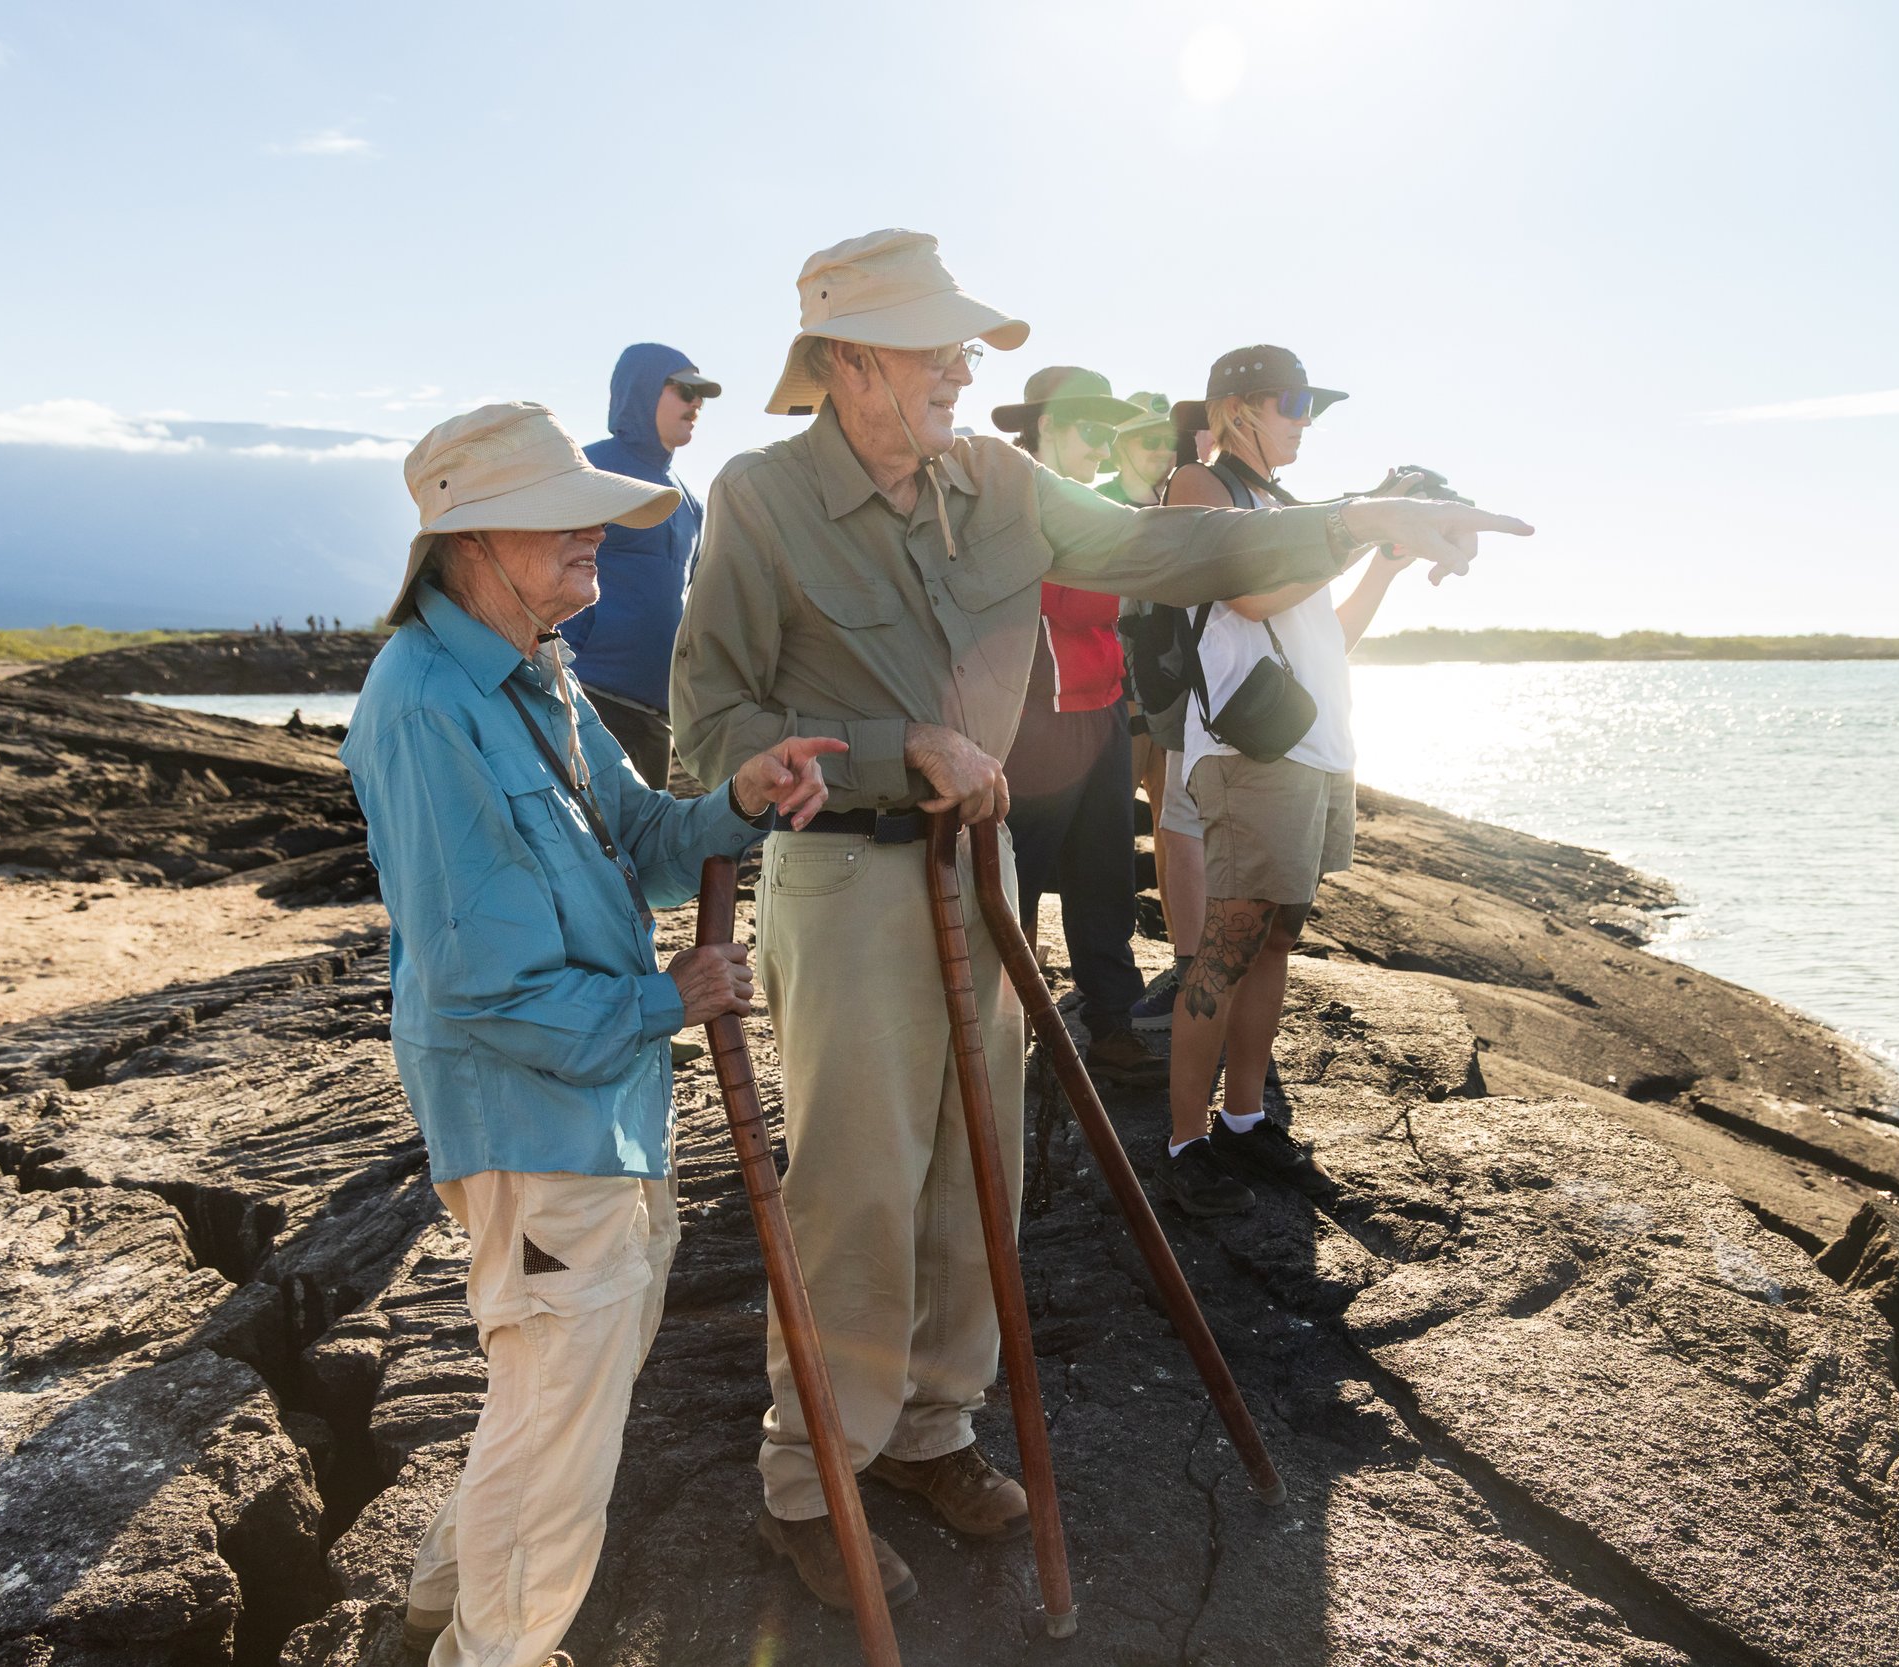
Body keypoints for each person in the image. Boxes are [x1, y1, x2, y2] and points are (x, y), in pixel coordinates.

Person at [671, 229, 1530, 1611]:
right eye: (933, 344)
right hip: (840, 883)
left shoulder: (999, 478)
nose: (962, 367)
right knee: (856, 1189)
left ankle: (930, 1430)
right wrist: (900, 750)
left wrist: (1360, 520)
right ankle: (807, 1477)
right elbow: (706, 734)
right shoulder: (759, 501)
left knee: (980, 1168)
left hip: (976, 867)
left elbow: (1168, 545)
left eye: (964, 344)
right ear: (843, 361)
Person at [342, 401, 845, 1667]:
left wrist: (737, 798)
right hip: (533, 1115)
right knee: (560, 1445)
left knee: (547, 1409)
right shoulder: (421, 706)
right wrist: (669, 1000)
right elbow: (481, 988)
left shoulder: (536, 670)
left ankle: (426, 1622)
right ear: (473, 538)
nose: (593, 541)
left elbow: (643, 844)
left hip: (597, 1107)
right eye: (563, 520)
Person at [1158, 346, 1452, 1218]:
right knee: (1226, 946)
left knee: (1276, 937)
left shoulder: (1296, 510)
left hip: (1315, 749)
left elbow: (1332, 637)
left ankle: (1246, 1120)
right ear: (1237, 407)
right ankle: (1183, 1143)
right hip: (1251, 755)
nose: (1304, 420)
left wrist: (1384, 560)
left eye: (1309, 404)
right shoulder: (1201, 487)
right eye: (1291, 402)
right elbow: (1247, 598)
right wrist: (1362, 519)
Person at [992, 366, 1166, 1087]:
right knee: (1016, 882)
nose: (1102, 443)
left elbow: (1108, 602)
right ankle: (1006, 1024)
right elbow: (1067, 598)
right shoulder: (1010, 502)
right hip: (1031, 725)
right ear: (1044, 429)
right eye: (1089, 428)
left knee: (1105, 877)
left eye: (1110, 430)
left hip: (1100, 715)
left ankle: (1112, 1024)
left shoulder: (1096, 507)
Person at [558, 344, 722, 788]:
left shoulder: (690, 501)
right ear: (644, 390)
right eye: (686, 390)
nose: (696, 404)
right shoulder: (587, 470)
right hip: (586, 703)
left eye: (701, 395)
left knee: (642, 854)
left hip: (656, 715)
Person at [1103, 392, 1206, 1031]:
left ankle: (1183, 957)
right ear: (1120, 447)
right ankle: (1110, 973)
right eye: (1146, 440)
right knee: (1109, 836)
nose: (1160, 451)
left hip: (1168, 699)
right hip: (1111, 701)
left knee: (1175, 829)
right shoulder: (1096, 507)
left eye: (1166, 440)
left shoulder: (1179, 505)